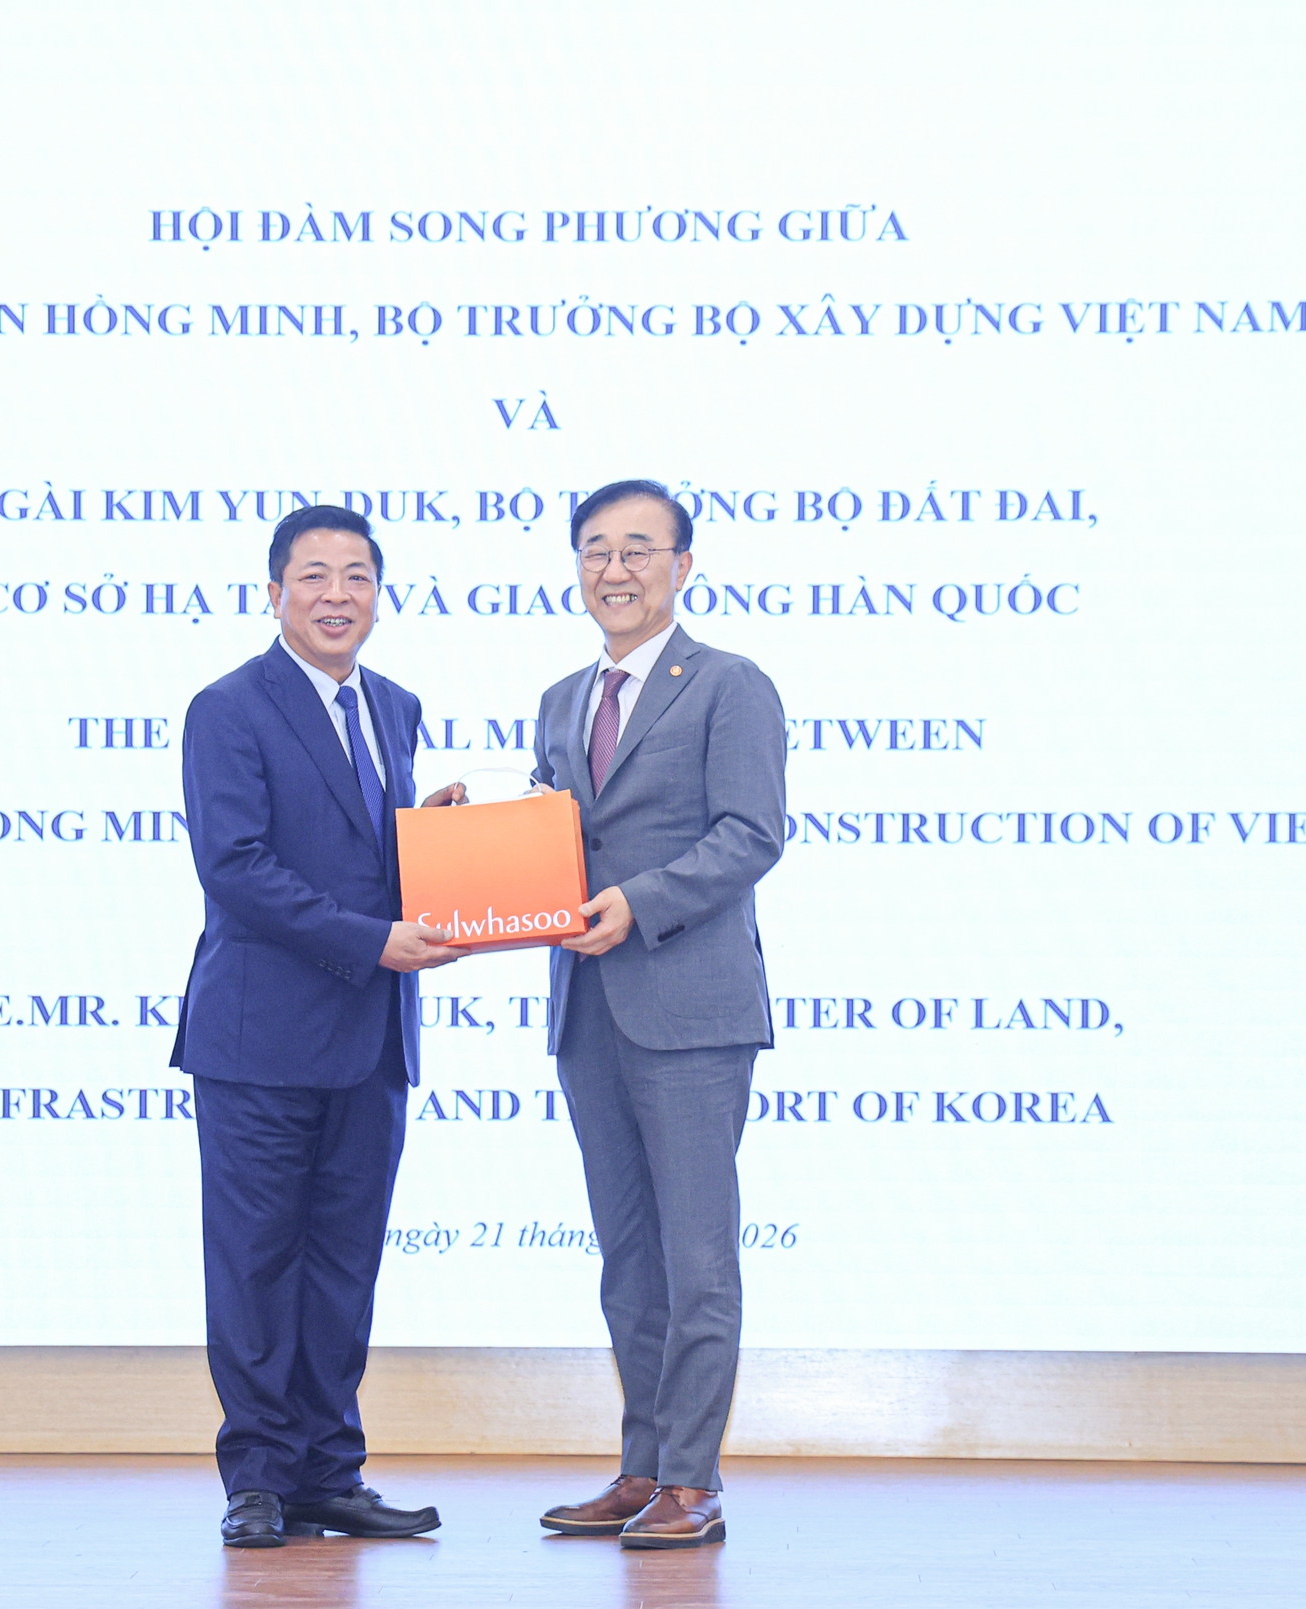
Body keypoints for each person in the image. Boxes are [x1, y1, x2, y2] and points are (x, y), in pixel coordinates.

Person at [170, 504, 465, 1548]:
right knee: (256, 1263)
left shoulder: (394, 705)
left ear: (378, 593)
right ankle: (257, 1476)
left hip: (370, 1037)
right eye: (314, 575)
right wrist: (372, 937)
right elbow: (237, 868)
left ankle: (328, 1473)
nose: (337, 594)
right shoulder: (227, 708)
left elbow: (364, 855)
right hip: (260, 1038)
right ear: (275, 592)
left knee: (344, 1265)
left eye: (357, 576)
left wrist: (441, 841)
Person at [528, 480, 787, 1549]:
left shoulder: (729, 684)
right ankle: (642, 1465)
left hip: (689, 1007)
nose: (616, 569)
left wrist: (640, 902)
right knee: (628, 1259)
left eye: (639, 548)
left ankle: (692, 1478)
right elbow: (551, 838)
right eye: (596, 549)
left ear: (683, 566)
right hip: (588, 1009)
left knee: (696, 1259)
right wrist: (464, 836)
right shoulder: (559, 700)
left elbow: (751, 833)